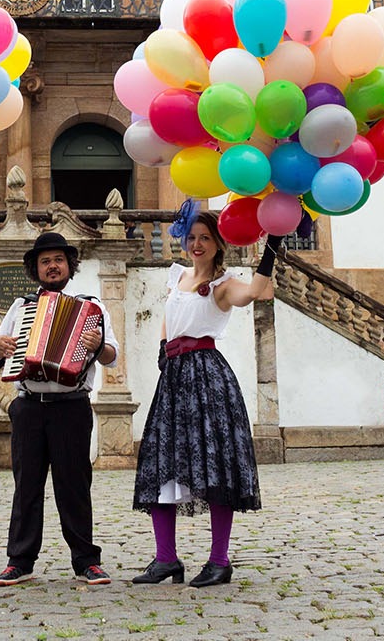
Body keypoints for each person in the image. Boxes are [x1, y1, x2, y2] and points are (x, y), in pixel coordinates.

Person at [132, 208, 269, 589]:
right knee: (162, 463)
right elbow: (167, 316)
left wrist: (271, 247)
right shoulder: (178, 275)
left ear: (217, 243)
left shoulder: (224, 284)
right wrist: (163, 346)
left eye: (205, 238)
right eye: (192, 237)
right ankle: (165, 560)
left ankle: (220, 561)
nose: (196, 244)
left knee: (214, 467)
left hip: (207, 377)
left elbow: (258, 292)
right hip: (174, 377)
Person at [0, 232, 119, 587]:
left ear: (69, 266)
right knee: (26, 485)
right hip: (29, 405)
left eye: (58, 260)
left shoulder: (93, 307)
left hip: (71, 405)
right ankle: (20, 560)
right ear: (36, 268)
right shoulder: (21, 307)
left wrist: (98, 344)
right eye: (45, 261)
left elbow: (111, 356)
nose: (52, 266)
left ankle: (86, 561)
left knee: (74, 484)